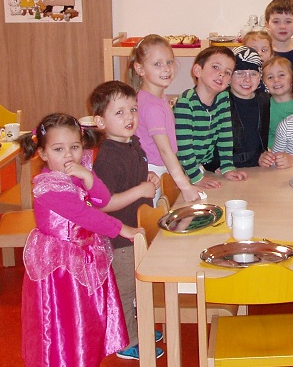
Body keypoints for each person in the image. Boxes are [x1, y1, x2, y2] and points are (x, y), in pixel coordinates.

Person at [20, 113, 141, 367]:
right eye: (58, 149)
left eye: (74, 147)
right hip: (60, 268)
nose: (68, 155)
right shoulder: (48, 186)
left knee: (85, 319)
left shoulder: (77, 172)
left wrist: (89, 177)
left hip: (83, 255)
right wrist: (122, 229)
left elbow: (102, 200)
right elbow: (84, 214)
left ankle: (84, 358)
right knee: (64, 320)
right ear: (42, 153)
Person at [88, 81, 164, 361]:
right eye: (119, 112)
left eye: (132, 109)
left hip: (136, 230)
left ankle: (137, 328)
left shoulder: (132, 143)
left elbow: (133, 179)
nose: (129, 117)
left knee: (137, 287)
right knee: (125, 290)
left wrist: (148, 179)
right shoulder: (107, 157)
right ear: (100, 122)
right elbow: (104, 203)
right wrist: (140, 190)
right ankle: (125, 340)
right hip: (119, 238)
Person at [128, 34, 201, 204]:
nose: (167, 69)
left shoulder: (157, 97)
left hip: (162, 169)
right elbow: (164, 150)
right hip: (154, 172)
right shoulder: (151, 106)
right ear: (140, 69)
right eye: (157, 64)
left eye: (169, 62)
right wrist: (185, 186)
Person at [174, 46, 246, 184]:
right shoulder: (186, 102)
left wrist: (227, 167)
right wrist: (197, 177)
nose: (221, 74)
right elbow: (183, 147)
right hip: (177, 168)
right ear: (198, 70)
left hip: (198, 167)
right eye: (215, 67)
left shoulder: (223, 99)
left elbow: (225, 136)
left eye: (228, 72)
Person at [222, 46, 270, 169]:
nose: (247, 79)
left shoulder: (264, 100)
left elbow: (262, 138)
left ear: (260, 77)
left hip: (256, 168)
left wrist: (263, 156)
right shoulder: (220, 101)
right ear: (229, 76)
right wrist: (214, 164)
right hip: (226, 167)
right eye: (240, 73)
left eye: (253, 74)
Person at [264, 56, 293, 148]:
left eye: (281, 75)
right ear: (264, 83)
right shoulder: (265, 108)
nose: (276, 80)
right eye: (270, 77)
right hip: (277, 152)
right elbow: (266, 136)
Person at [265, 0, 293, 69]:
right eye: (276, 21)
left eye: (288, 21)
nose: (282, 26)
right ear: (267, 25)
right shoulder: (261, 56)